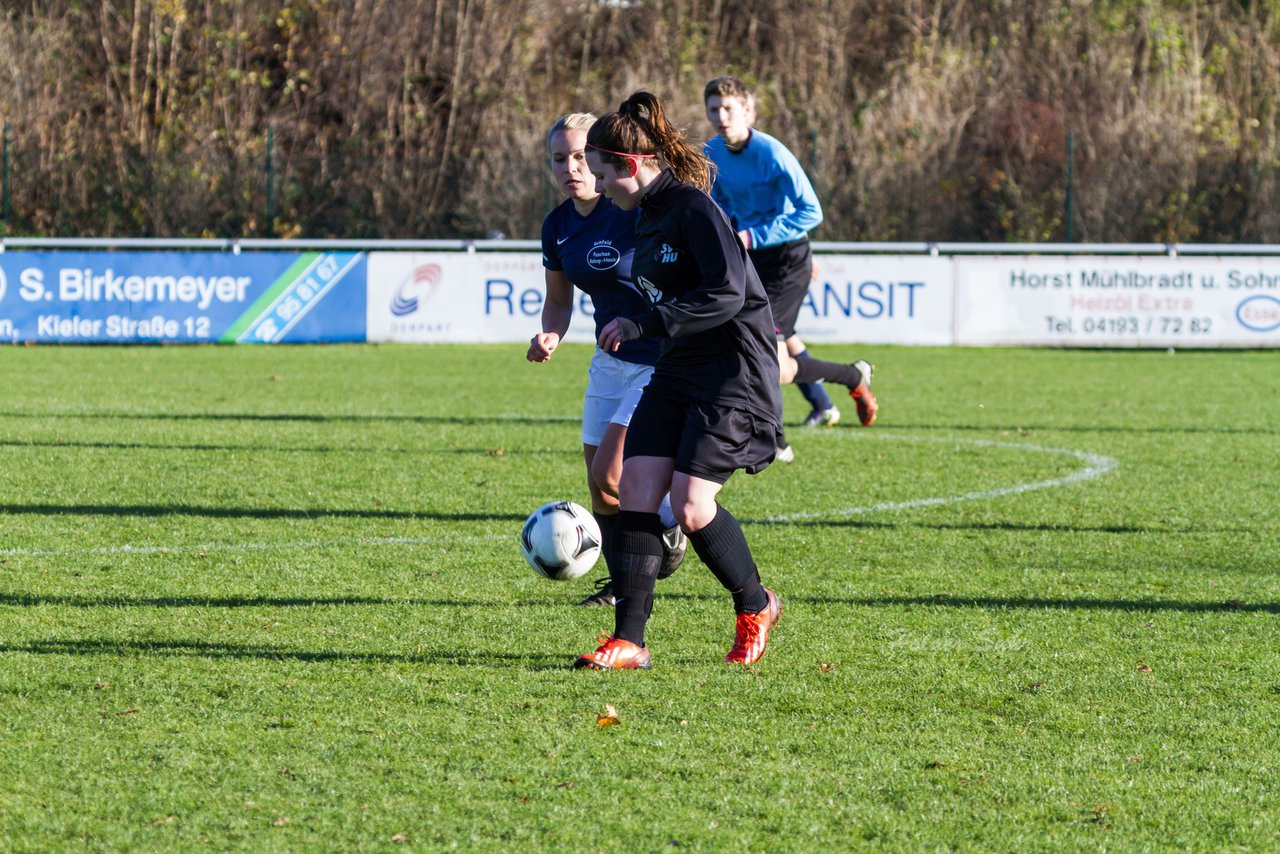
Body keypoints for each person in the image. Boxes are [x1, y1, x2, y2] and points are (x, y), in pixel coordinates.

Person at [574, 91, 784, 670]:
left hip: (733, 371)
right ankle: (630, 640)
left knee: (691, 508)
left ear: (631, 166)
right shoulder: (643, 215)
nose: (596, 185)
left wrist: (646, 319)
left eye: (600, 174)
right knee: (636, 489)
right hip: (677, 366)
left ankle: (756, 605)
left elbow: (727, 294)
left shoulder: (693, 208)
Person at [528, 113, 686, 608]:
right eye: (559, 159)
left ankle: (672, 524)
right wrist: (550, 334)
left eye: (579, 156)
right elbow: (559, 300)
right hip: (608, 361)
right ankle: (621, 583)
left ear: (601, 158)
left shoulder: (632, 210)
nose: (570, 168)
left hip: (656, 360)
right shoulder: (556, 226)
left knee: (611, 474)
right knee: (599, 487)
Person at [703, 75, 878, 458]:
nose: (721, 116)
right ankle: (844, 383)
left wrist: (755, 236)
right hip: (750, 258)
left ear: (748, 111)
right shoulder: (711, 151)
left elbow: (811, 211)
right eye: (714, 108)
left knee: (774, 364)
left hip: (786, 260)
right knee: (759, 345)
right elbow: (717, 204)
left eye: (729, 108)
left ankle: (776, 440)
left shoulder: (772, 153)